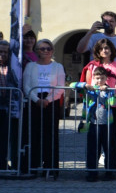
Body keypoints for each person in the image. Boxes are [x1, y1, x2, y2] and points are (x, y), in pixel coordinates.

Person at [23, 38, 66, 178]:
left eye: (48, 49)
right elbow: (26, 85)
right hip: (34, 100)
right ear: (37, 51)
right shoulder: (30, 66)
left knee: (51, 136)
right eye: (42, 49)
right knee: (33, 134)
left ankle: (51, 168)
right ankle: (33, 166)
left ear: (52, 51)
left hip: (51, 101)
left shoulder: (58, 66)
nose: (46, 51)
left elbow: (60, 87)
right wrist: (36, 100)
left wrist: (48, 100)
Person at [0, 40, 21, 171]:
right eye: (0, 52)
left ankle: (3, 164)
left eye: (5, 52)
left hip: (7, 107)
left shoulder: (12, 67)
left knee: (4, 139)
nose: (2, 54)